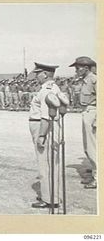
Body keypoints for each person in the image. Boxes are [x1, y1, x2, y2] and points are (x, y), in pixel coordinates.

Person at [29, 63, 62, 209]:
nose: (36, 76)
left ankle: (49, 199)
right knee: (52, 164)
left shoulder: (46, 90)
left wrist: (41, 136)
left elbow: (45, 117)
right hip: (50, 128)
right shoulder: (53, 88)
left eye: (37, 73)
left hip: (45, 129)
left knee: (45, 165)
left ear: (44, 74)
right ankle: (52, 195)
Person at [69, 56, 97, 189]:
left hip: (93, 113)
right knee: (88, 147)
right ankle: (95, 172)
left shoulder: (94, 80)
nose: (76, 70)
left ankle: (98, 178)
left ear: (86, 68)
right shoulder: (86, 80)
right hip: (87, 112)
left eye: (78, 68)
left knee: (93, 148)